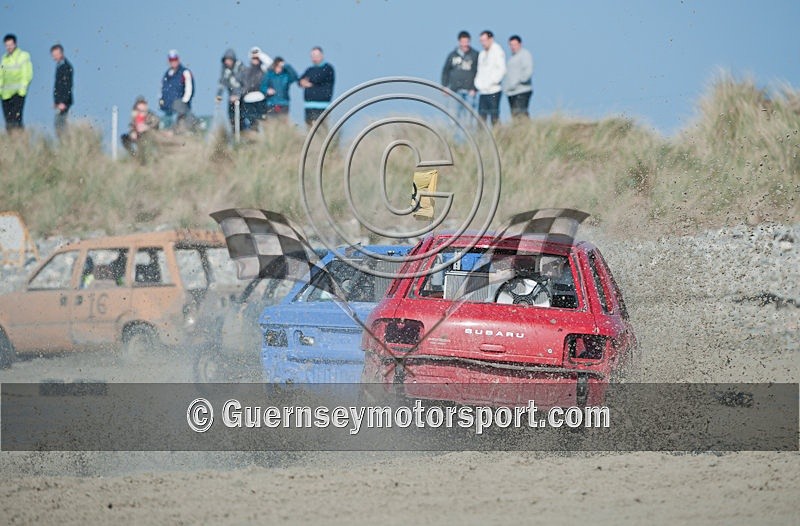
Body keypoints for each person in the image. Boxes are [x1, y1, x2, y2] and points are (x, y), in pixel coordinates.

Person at [441, 30, 479, 116]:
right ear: (459, 42)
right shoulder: (452, 55)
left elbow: (479, 72)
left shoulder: (475, 55)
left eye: (467, 42)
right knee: (452, 117)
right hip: (454, 91)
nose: (465, 44)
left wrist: (475, 88)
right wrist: (444, 86)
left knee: (469, 119)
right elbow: (445, 70)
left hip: (469, 92)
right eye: (463, 42)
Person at [0, 34, 33, 131]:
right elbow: (1, 75)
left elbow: (27, 74)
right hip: (5, 95)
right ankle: (12, 142)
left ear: (15, 44)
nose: (9, 47)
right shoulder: (4, 58)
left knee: (16, 119)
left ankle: (21, 140)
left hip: (18, 94)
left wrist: (22, 90)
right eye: (7, 45)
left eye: (10, 44)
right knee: (8, 121)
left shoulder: (23, 56)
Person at [474, 30, 506, 126]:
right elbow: (479, 70)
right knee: (481, 118)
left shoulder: (498, 51)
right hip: (483, 91)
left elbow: (502, 69)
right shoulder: (482, 54)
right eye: (481, 41)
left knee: (494, 117)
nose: (482, 43)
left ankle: (497, 137)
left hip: (494, 90)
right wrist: (478, 84)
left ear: (491, 39)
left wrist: (492, 82)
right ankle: (481, 139)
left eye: (484, 40)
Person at [159, 49, 197, 131]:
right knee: (166, 127)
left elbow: (189, 89)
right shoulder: (166, 75)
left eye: (175, 59)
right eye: (171, 60)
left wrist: (184, 101)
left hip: (180, 107)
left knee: (181, 126)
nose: (173, 62)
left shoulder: (184, 72)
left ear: (178, 59)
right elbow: (162, 90)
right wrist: (161, 102)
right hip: (167, 108)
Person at [299, 46, 335, 127]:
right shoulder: (309, 69)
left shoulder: (328, 68)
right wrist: (304, 82)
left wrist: (308, 81)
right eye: (312, 56)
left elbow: (318, 78)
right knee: (310, 133)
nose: (314, 58)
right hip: (308, 106)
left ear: (322, 55)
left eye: (316, 55)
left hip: (322, 106)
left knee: (322, 132)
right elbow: (300, 81)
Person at [121, 96, 160, 163]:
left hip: (148, 136)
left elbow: (156, 123)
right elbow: (131, 126)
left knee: (143, 139)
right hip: (137, 136)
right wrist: (133, 132)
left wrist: (147, 127)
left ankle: (143, 159)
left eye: (143, 104)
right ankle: (134, 156)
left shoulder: (151, 115)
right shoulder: (135, 116)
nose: (141, 107)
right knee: (124, 138)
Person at [241, 47, 271, 131]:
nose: (255, 60)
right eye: (253, 58)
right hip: (248, 100)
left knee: (264, 121)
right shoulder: (246, 70)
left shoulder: (263, 69)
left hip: (261, 99)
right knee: (252, 124)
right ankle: (254, 141)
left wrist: (260, 55)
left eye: (257, 58)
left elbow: (270, 64)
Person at [504, 35, 534, 118]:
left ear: (520, 44)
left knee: (521, 114)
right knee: (515, 115)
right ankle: (519, 131)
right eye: (511, 45)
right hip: (512, 92)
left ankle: (528, 130)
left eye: (515, 44)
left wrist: (518, 82)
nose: (513, 47)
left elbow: (528, 71)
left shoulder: (525, 54)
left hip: (522, 90)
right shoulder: (511, 58)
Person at [215, 48, 245, 132]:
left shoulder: (240, 67)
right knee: (231, 119)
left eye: (229, 60)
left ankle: (243, 137)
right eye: (226, 60)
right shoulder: (225, 70)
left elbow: (245, 84)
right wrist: (218, 96)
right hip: (231, 99)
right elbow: (222, 83)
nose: (227, 62)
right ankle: (234, 139)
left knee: (241, 120)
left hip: (241, 99)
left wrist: (238, 95)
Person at [50, 43, 73, 136]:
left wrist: (63, 102)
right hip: (59, 102)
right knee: (58, 124)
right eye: (53, 55)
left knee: (60, 125)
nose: (54, 57)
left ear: (61, 53)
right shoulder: (59, 66)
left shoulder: (66, 67)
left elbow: (67, 86)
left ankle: (65, 145)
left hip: (64, 102)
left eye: (56, 54)